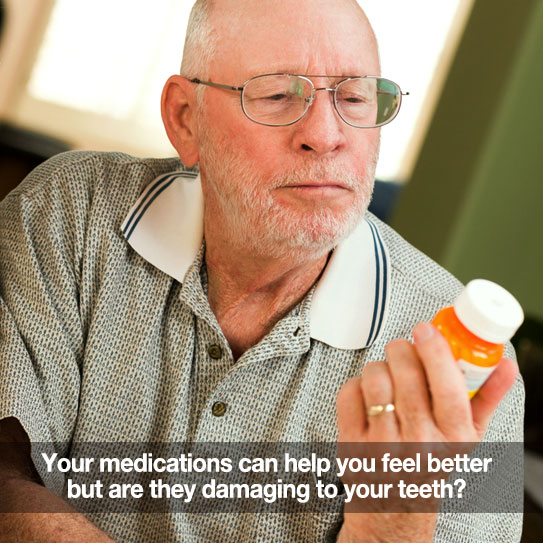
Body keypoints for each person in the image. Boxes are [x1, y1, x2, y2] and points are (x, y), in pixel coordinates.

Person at [0, 0, 523, 542]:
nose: (326, 135)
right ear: (186, 118)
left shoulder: (465, 366)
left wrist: (390, 526)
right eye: (277, 95)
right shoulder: (68, 210)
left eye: (354, 97)